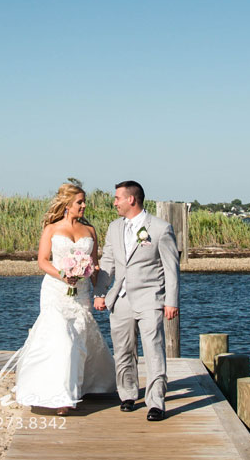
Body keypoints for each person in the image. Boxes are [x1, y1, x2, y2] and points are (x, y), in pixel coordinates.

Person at [13, 183, 116, 413]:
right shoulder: (51, 228)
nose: (84, 205)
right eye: (80, 202)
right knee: (61, 339)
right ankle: (60, 398)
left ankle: (81, 386)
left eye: (84, 201)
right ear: (67, 205)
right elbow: (42, 261)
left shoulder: (90, 231)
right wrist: (63, 274)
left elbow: (94, 265)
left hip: (80, 293)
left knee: (79, 338)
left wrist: (99, 292)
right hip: (55, 291)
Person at [94, 179, 179, 421]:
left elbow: (171, 269)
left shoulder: (161, 229)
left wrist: (171, 301)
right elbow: (108, 262)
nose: (114, 203)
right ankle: (128, 394)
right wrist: (100, 293)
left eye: (117, 198)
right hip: (120, 299)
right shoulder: (114, 228)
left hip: (150, 298)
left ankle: (156, 402)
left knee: (153, 350)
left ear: (131, 199)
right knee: (122, 350)